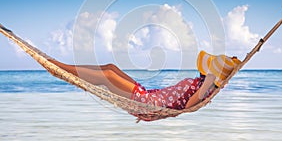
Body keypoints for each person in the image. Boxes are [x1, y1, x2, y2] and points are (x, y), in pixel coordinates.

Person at [48, 51, 240, 110]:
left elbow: (189, 105)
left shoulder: (206, 90)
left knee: (107, 77)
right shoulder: (202, 84)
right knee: (111, 67)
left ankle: (58, 67)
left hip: (147, 104)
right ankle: (64, 67)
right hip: (147, 94)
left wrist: (210, 83)